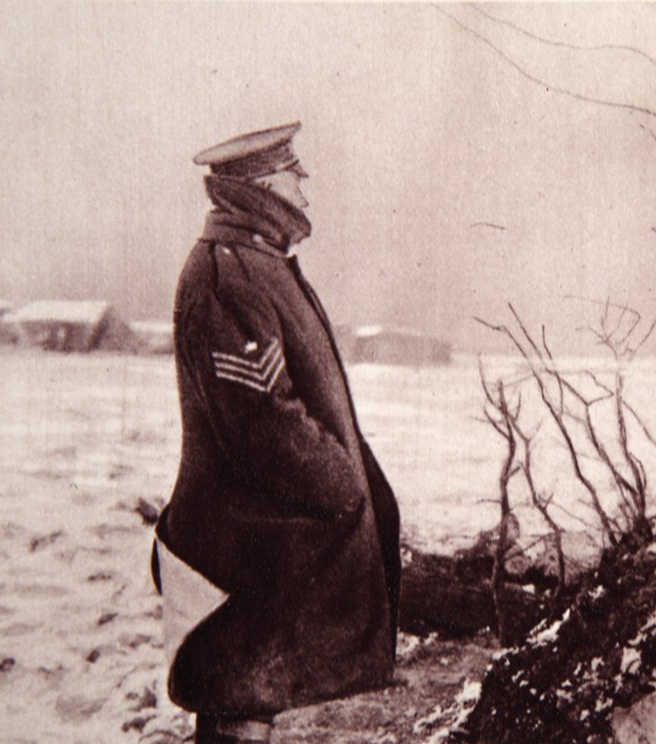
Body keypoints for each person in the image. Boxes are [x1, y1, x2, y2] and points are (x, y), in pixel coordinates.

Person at [152, 122, 401, 744]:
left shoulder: (260, 263)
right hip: (241, 538)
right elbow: (262, 420)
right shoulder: (226, 275)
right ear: (263, 188)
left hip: (263, 532)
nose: (305, 193)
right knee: (237, 704)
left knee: (249, 700)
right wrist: (343, 483)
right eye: (294, 178)